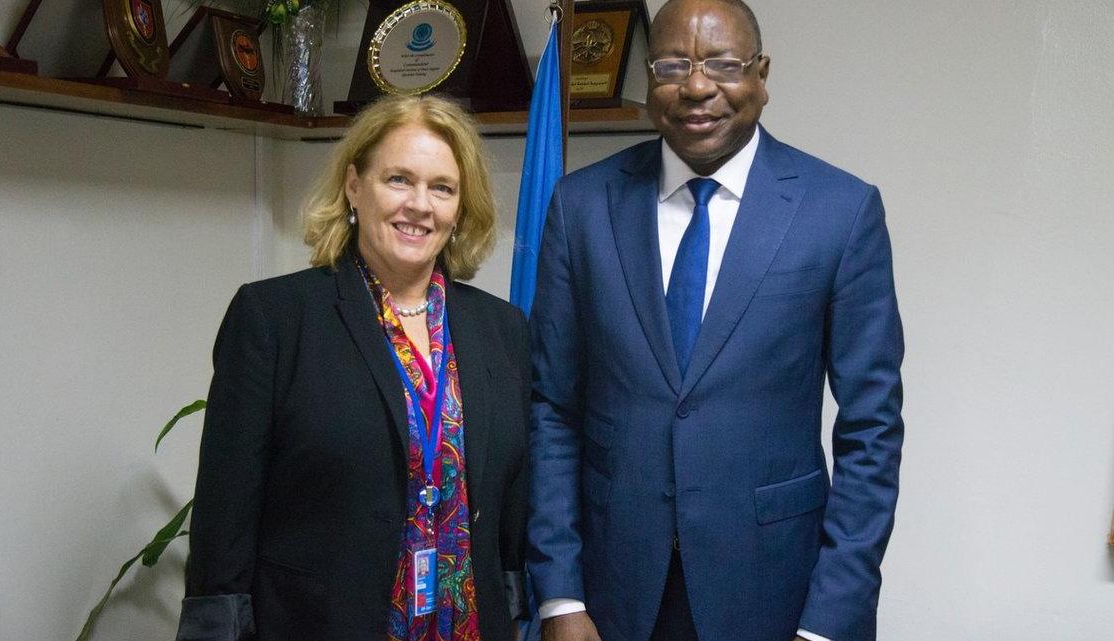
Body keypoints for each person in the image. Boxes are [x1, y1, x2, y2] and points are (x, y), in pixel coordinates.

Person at [526, 2, 905, 641]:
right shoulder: (581, 206)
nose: (697, 87)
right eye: (673, 66)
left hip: (777, 590)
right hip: (612, 592)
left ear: (762, 74)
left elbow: (872, 426)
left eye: (723, 65)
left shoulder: (840, 211)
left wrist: (831, 618)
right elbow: (552, 408)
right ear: (650, 77)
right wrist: (560, 597)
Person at [176, 94, 530, 641]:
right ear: (353, 186)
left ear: (461, 208)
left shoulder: (502, 329)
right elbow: (225, 516)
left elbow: (510, 508)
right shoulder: (274, 317)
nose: (420, 205)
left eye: (442, 188)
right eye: (398, 179)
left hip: (466, 625)